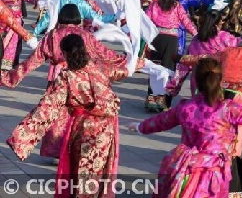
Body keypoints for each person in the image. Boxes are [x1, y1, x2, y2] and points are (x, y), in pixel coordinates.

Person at [130, 58, 242, 198]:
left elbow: (161, 121)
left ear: (196, 81)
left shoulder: (185, 107)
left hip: (185, 168)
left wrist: (139, 126)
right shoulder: (228, 109)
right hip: (214, 172)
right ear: (220, 80)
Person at [7, 34, 141, 195]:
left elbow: (48, 107)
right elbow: (121, 71)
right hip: (107, 127)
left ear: (65, 54)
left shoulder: (67, 76)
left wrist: (21, 138)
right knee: (99, 170)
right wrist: (141, 63)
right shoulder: (99, 66)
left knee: (82, 170)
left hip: (84, 127)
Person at [168, 25, 242, 198]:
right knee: (236, 151)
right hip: (239, 109)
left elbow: (202, 59)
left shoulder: (227, 52)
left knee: (217, 146)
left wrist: (181, 58)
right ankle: (233, 191)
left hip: (217, 103)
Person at [145, 0, 198, 112]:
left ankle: (153, 102)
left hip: (156, 39)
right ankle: (165, 103)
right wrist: (196, 35)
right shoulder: (177, 6)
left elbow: (145, 20)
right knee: (168, 71)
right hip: (171, 40)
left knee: (154, 69)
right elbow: (186, 22)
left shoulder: (155, 5)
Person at [34, 0, 116, 36]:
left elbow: (46, 19)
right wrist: (116, 16)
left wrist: (34, 33)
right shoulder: (81, 3)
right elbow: (98, 19)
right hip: (77, 38)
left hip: (59, 37)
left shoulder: (58, 2)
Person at [0, 0, 29, 70]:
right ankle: (9, 62)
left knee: (4, 38)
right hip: (15, 18)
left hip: (4, 17)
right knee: (13, 41)